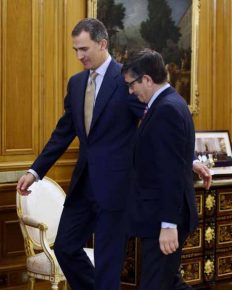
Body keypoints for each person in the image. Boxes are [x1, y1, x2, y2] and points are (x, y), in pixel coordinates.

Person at [17, 18, 211, 290]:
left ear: (102, 44)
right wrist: (35, 171)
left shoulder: (127, 78)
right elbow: (63, 132)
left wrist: (188, 159)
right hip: (84, 186)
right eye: (75, 50)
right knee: (65, 248)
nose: (79, 55)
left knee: (109, 266)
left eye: (83, 48)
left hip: (118, 189)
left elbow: (157, 123)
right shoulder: (75, 84)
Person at [121, 49, 203, 290]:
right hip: (159, 216)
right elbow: (171, 159)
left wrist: (168, 225)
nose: (130, 91)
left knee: (156, 285)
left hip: (164, 218)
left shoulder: (166, 109)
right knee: (169, 284)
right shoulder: (170, 103)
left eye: (131, 84)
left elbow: (171, 174)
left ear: (146, 79)